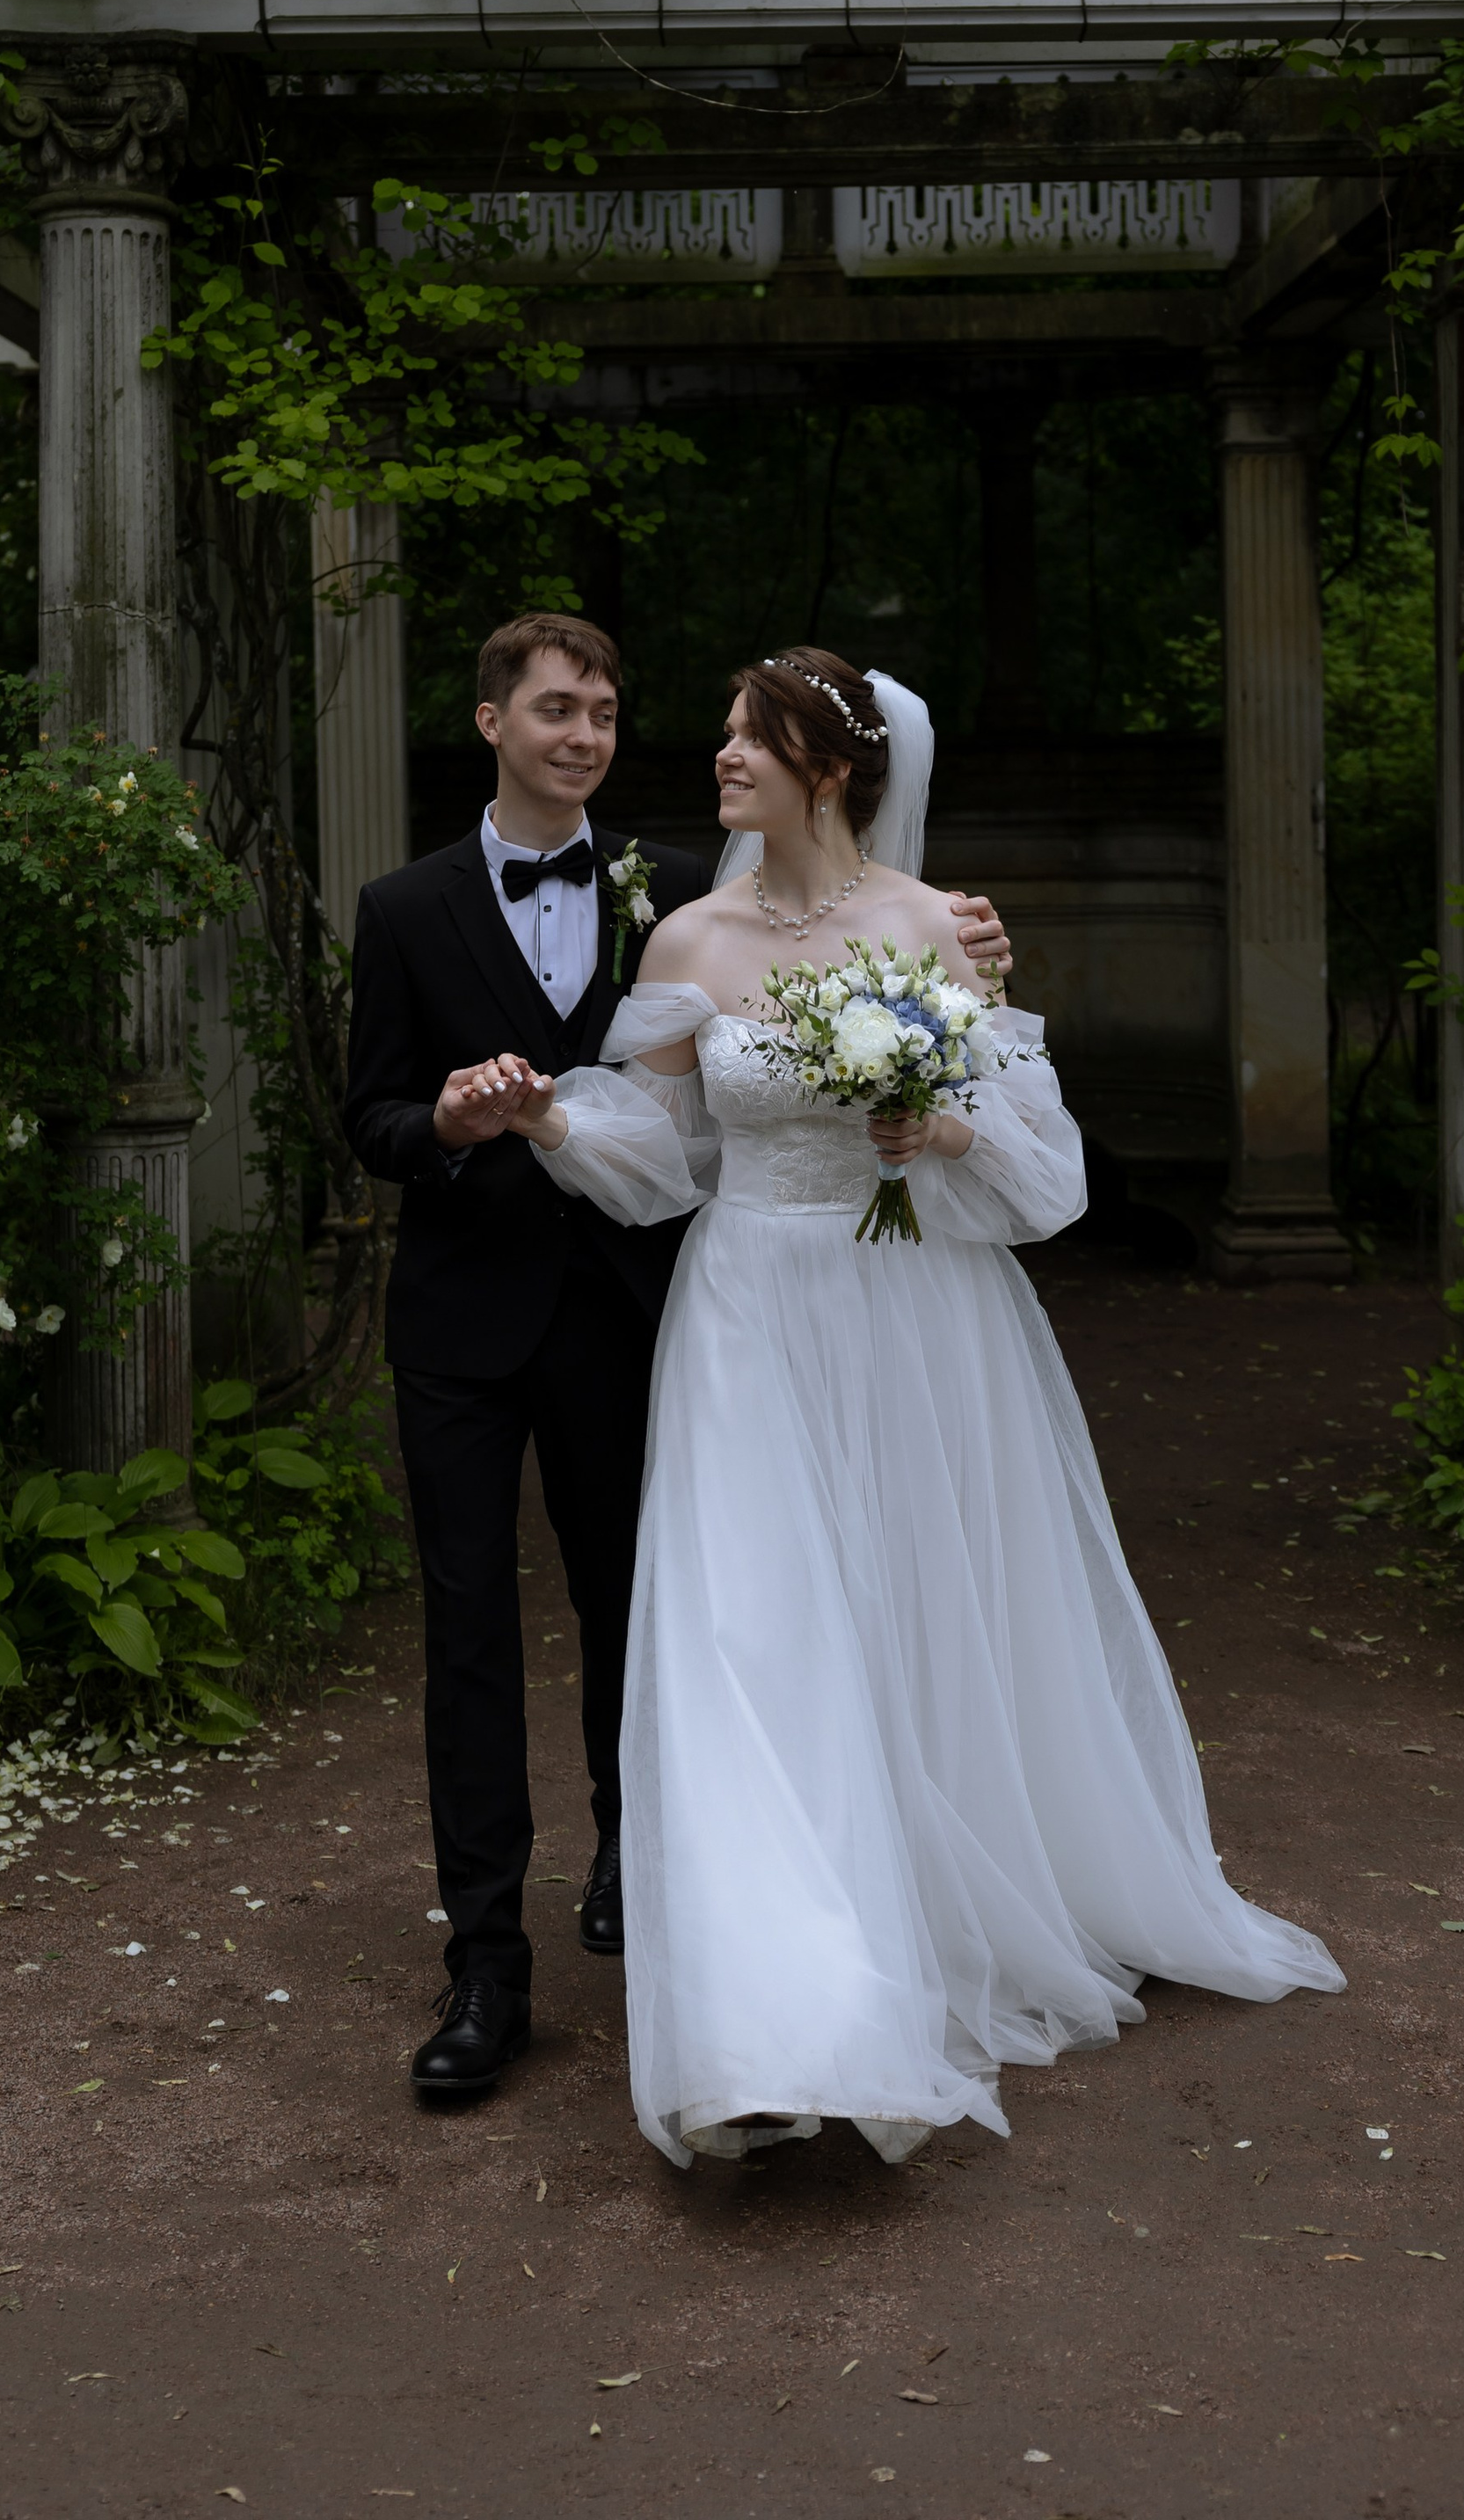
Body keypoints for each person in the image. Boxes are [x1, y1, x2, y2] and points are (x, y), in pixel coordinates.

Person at [499, 644, 1344, 2167]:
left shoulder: (940, 933)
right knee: (745, 1637)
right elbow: (670, 1157)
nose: (719, 761)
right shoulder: (685, 940)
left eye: (747, 740)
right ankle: (778, 2026)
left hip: (913, 1315)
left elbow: (1044, 1178)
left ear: (827, 768)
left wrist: (941, 1126)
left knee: (914, 1618)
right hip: (746, 1309)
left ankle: (932, 1914)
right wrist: (558, 1117)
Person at [343, 613, 1014, 2101]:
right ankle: (486, 1968)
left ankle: (649, 1877)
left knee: (661, 1615)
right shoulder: (407, 909)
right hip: (470, 1318)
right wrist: (461, 1124)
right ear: (491, 722)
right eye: (558, 710)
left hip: (638, 1311)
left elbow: (884, 1061)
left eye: (605, 712)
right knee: (470, 1634)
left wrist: (959, 1011)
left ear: (825, 771)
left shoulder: (673, 882)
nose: (588, 735)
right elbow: (371, 1117)